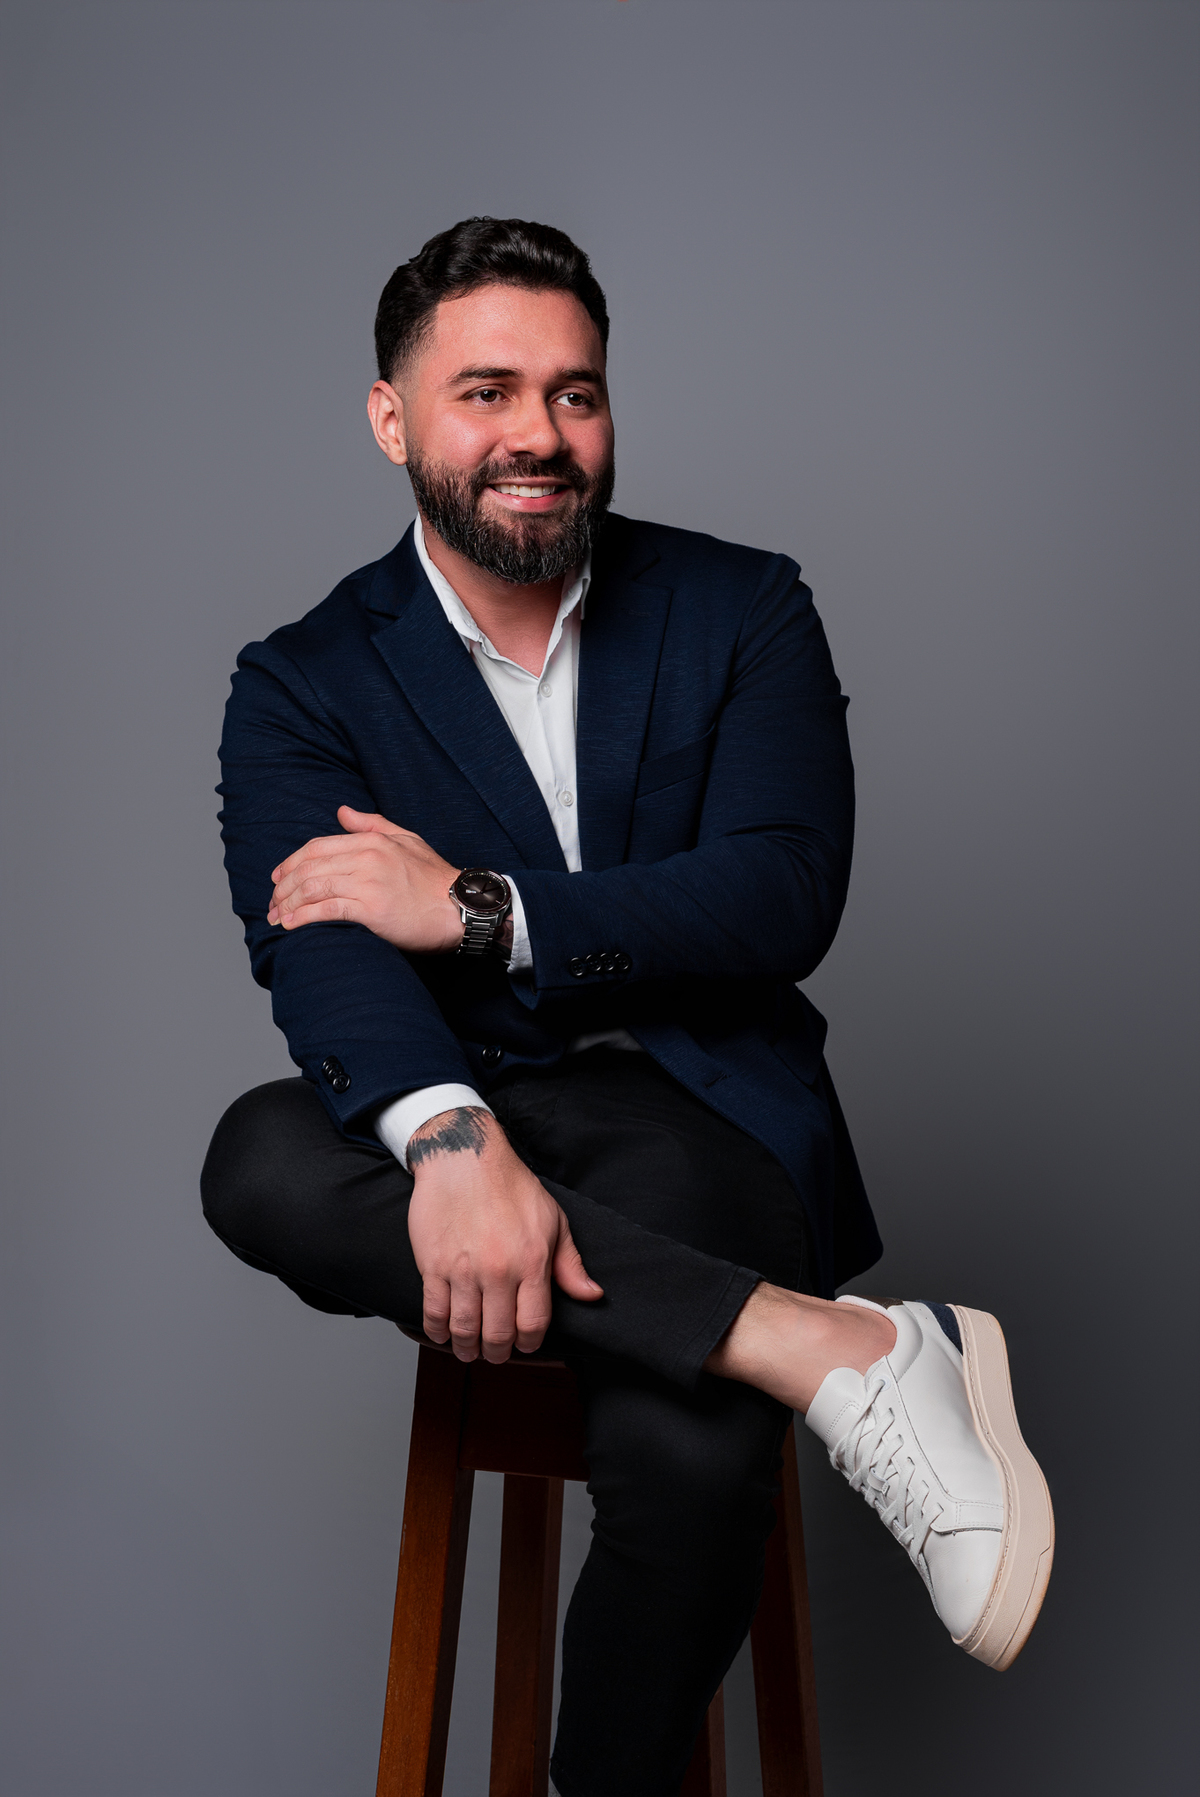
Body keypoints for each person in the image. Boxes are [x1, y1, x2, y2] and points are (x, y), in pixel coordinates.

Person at [202, 217, 1053, 1797]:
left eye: (574, 393)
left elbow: (780, 891)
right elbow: (321, 954)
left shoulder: (743, 607)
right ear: (392, 417)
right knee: (256, 1157)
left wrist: (479, 906)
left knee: (683, 1452)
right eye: (487, 392)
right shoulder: (303, 679)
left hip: (696, 1107)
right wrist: (454, 1143)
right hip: (477, 1107)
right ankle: (833, 1347)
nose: (538, 433)